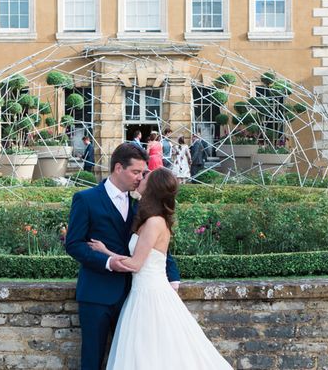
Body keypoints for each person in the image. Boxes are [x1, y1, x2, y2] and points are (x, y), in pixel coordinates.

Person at [90, 168, 232, 369]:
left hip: (150, 296)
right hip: (141, 293)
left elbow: (135, 264)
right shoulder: (150, 218)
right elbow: (137, 260)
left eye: (145, 176)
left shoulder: (154, 222)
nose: (141, 178)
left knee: (153, 351)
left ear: (153, 186)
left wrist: (105, 253)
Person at [65, 143, 180, 370]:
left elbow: (154, 247)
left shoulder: (141, 206)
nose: (139, 178)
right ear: (118, 168)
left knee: (133, 359)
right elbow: (74, 244)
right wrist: (107, 262)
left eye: (142, 173)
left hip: (132, 297)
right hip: (96, 295)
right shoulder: (86, 199)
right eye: (135, 172)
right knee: (92, 359)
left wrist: (172, 276)